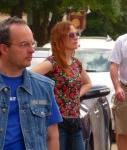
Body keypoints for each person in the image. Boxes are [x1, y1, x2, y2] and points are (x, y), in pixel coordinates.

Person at [0, 16, 62, 150]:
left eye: (32, 43)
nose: (32, 50)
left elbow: (52, 137)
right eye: (24, 44)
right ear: (4, 49)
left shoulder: (44, 87)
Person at [31, 21, 92, 150]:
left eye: (77, 34)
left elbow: (88, 83)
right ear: (60, 39)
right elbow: (29, 76)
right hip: (58, 122)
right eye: (71, 35)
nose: (76, 37)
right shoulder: (53, 62)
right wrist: (42, 101)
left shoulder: (76, 63)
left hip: (75, 120)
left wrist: (76, 95)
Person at [109, 33, 127, 150]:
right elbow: (114, 66)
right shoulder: (122, 40)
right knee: (123, 130)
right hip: (125, 88)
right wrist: (117, 87)